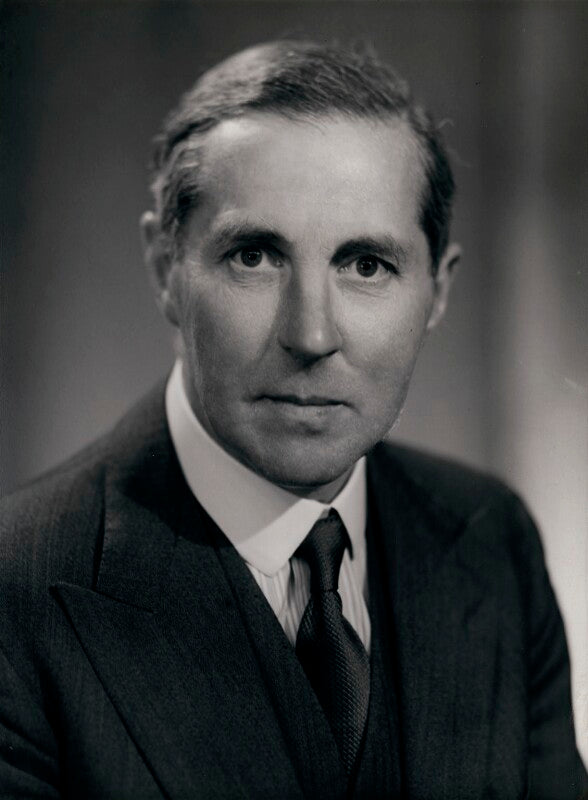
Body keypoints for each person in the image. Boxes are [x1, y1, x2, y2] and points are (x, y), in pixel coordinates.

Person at [0, 39, 585, 800]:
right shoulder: (18, 592)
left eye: (366, 265)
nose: (311, 335)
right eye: (255, 256)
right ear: (165, 269)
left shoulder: (491, 540)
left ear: (438, 292)